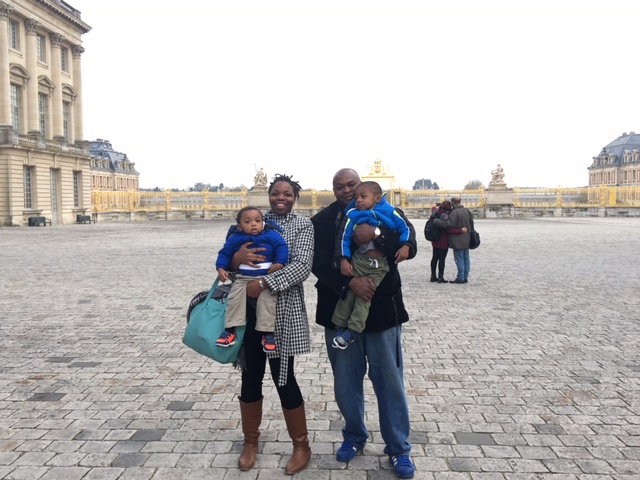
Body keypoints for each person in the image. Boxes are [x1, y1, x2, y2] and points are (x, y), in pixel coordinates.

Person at [311, 168, 417, 479]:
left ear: (366, 189)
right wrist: (349, 284)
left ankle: (399, 448)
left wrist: (377, 236)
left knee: (389, 382)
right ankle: (354, 436)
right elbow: (316, 261)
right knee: (346, 382)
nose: (346, 191)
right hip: (340, 309)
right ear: (333, 190)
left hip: (383, 310)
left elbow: (410, 245)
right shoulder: (322, 220)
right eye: (339, 186)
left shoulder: (388, 210)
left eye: (352, 185)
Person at [228, 174, 314, 474]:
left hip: (283, 314)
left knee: (284, 378)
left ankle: (301, 445)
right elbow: (229, 255)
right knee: (250, 377)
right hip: (249, 314)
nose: (281, 198)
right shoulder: (253, 220)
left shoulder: (303, 225)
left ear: (295, 197)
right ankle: (250, 441)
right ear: (268, 195)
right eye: (276, 193)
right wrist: (236, 258)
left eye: (287, 194)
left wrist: (264, 282)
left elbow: (302, 265)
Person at [332, 181, 411, 349]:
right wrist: (343, 259)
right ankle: (340, 324)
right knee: (349, 295)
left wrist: (406, 245)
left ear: (377, 198)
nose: (358, 200)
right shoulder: (352, 214)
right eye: (357, 198)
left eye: (363, 196)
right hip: (360, 261)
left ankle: (353, 329)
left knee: (364, 297)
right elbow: (343, 238)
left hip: (380, 266)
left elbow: (405, 229)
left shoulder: (390, 211)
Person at [215, 206, 288, 353]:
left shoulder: (271, 235)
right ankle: (230, 330)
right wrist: (221, 268)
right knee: (235, 299)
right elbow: (225, 254)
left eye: (257, 220)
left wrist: (280, 263)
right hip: (242, 278)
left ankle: (267, 333)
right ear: (240, 227)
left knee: (268, 302)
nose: (254, 224)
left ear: (263, 222)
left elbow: (282, 247)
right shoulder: (235, 238)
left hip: (265, 276)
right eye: (248, 221)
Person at [434, 195, 473, 284]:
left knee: (459, 258)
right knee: (466, 258)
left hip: (458, 239)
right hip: (467, 238)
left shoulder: (455, 213)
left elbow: (448, 224)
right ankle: (465, 276)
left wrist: (436, 221)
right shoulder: (466, 211)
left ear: (452, 203)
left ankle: (460, 277)